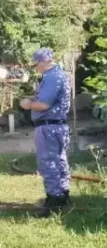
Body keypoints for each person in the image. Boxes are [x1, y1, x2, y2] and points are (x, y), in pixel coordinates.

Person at [19, 48, 72, 217]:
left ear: (43, 62)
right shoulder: (60, 75)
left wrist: (28, 104)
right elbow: (48, 100)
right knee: (60, 161)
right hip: (58, 126)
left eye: (36, 65)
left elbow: (44, 105)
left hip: (48, 127)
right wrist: (34, 98)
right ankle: (63, 196)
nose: (36, 68)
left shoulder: (51, 77)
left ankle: (53, 203)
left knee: (48, 163)